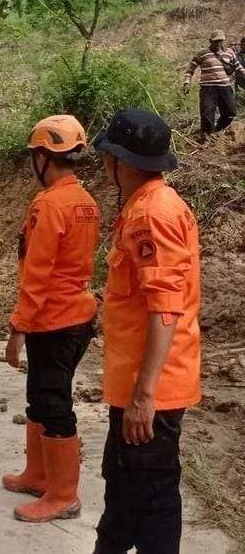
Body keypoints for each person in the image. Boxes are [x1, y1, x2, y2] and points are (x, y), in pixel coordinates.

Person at [91, 109, 201, 554]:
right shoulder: (146, 206)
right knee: (125, 496)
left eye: (108, 157)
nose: (103, 165)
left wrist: (143, 397)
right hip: (139, 385)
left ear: (126, 162)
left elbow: (165, 309)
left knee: (149, 504)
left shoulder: (152, 215)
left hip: (151, 391)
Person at [2, 115, 100, 523]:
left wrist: (17, 329)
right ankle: (39, 474)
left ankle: (63, 495)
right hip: (76, 316)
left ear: (43, 157)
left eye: (33, 157)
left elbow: (37, 272)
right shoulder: (86, 202)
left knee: (52, 401)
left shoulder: (49, 204)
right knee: (41, 396)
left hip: (54, 320)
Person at [182, 29, 245, 136]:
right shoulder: (202, 53)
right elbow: (190, 69)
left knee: (230, 112)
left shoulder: (229, 52)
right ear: (210, 41)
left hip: (225, 87)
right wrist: (186, 82)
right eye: (216, 41)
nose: (218, 43)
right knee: (207, 113)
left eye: (220, 41)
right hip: (208, 88)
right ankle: (206, 135)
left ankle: (217, 130)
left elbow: (239, 67)